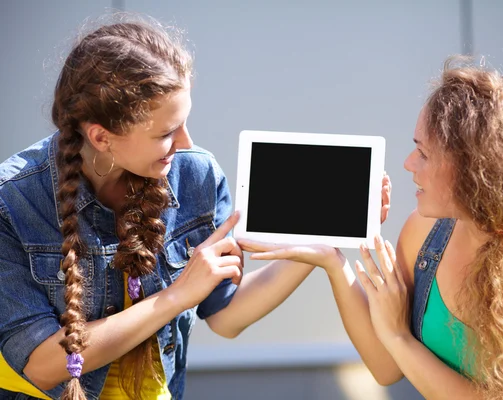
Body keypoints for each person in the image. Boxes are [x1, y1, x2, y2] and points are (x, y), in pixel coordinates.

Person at [0, 18, 392, 400]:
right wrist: (176, 296)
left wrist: (322, 241)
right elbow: (43, 365)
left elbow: (225, 315)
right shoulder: (13, 201)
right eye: (166, 133)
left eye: (184, 122)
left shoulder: (195, 175)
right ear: (102, 137)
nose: (186, 143)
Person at [240, 57, 503, 399]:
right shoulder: (423, 235)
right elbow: (386, 367)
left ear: (480, 170)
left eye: (425, 154)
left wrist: (400, 336)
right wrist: (333, 263)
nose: (409, 164)